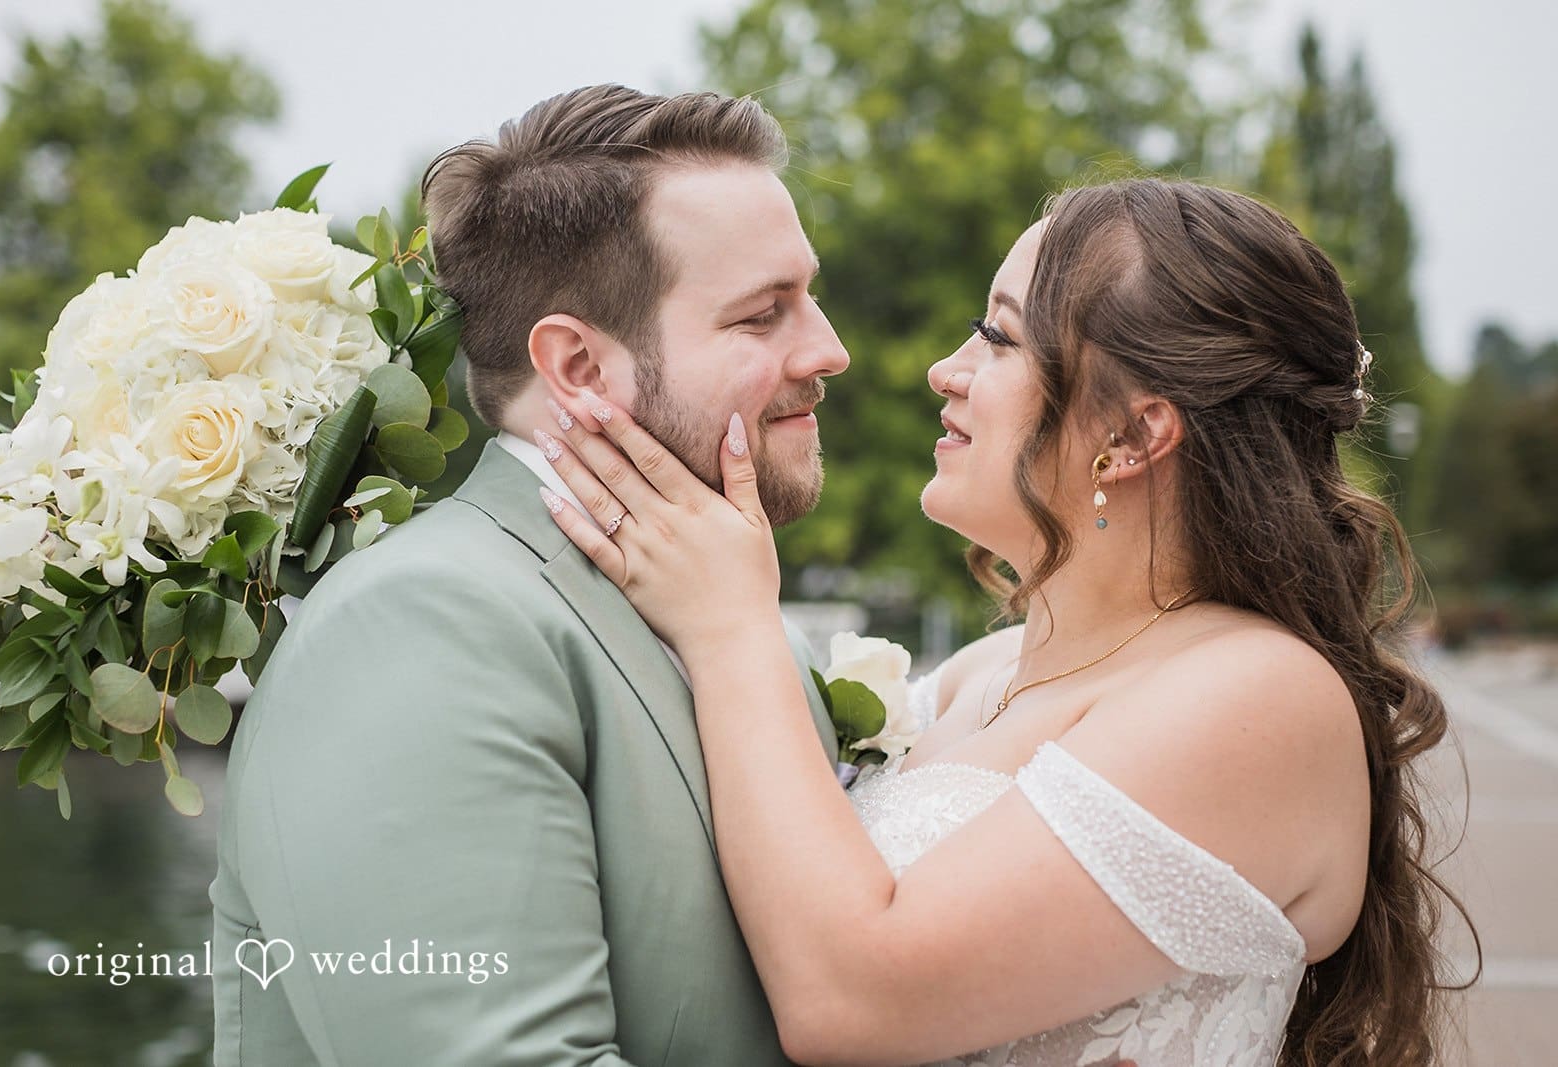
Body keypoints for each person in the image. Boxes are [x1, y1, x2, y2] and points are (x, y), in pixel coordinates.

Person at [539, 177, 1470, 1066]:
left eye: (999, 336)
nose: (947, 369)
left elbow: (849, 995)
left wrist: (730, 624)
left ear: (1137, 434)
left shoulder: (1262, 696)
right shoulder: (980, 673)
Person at [209, 84, 851, 1066]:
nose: (829, 349)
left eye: (808, 294)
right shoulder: (418, 629)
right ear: (581, 368)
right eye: (765, 314)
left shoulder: (751, 631)